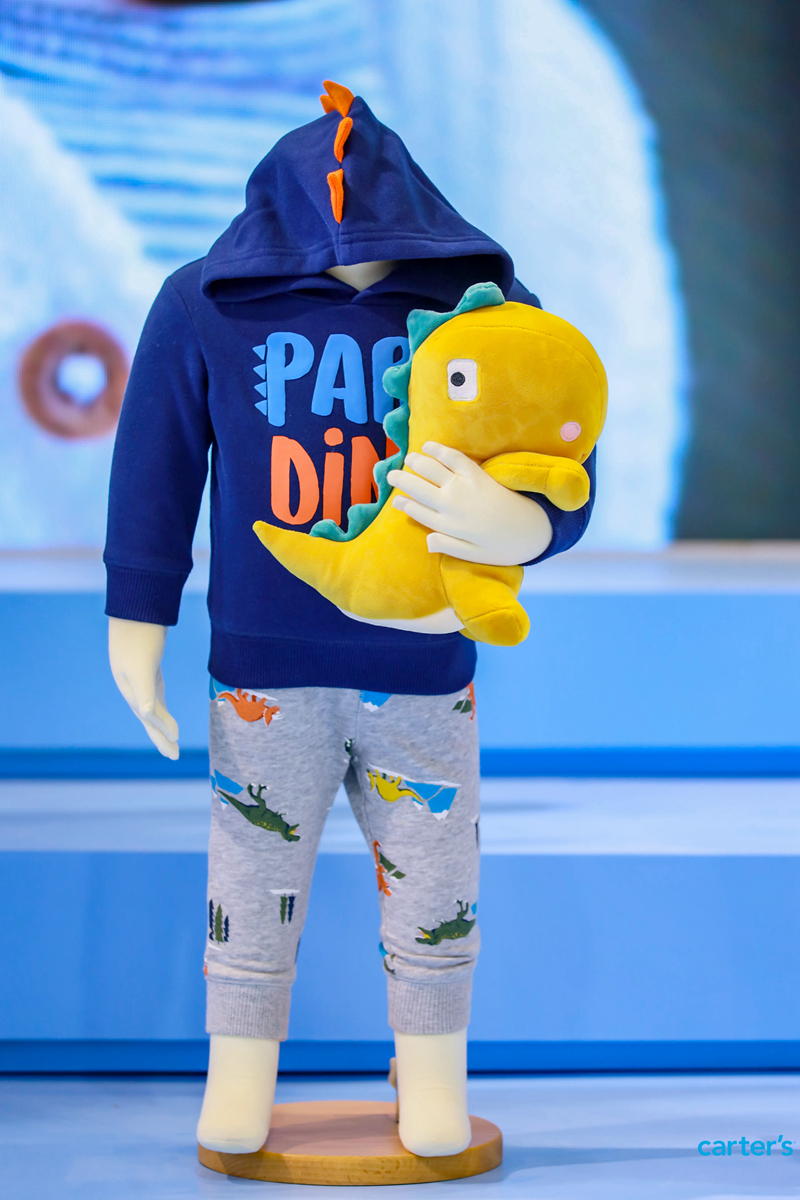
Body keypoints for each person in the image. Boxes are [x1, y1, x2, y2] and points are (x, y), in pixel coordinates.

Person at [105, 82, 596, 1157]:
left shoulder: (484, 307)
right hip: (261, 673)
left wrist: (520, 522)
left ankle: (433, 1079)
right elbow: (154, 474)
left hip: (423, 674)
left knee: (436, 886)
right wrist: (135, 627)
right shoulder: (205, 302)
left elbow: (564, 445)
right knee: (251, 884)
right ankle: (237, 1081)